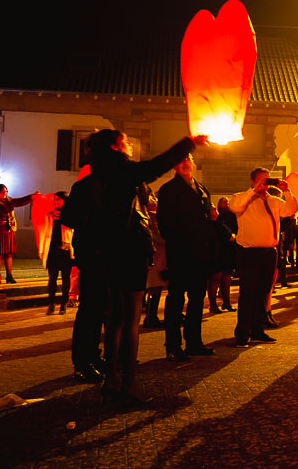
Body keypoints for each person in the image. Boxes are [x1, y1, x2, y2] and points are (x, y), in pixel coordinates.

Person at [64, 128, 206, 405]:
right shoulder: (125, 174)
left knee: (114, 318)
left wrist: (96, 227)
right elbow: (158, 164)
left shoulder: (87, 182)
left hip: (101, 254)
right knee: (130, 320)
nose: (130, 144)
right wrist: (190, 142)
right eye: (126, 141)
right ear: (116, 148)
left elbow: (69, 217)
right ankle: (127, 384)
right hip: (129, 252)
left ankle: (111, 380)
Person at [157, 154, 218, 360]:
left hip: (201, 253)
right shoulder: (168, 190)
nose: (185, 163)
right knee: (175, 300)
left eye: (188, 160)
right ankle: (173, 345)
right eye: (180, 160)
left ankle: (194, 341)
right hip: (181, 253)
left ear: (193, 163)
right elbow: (165, 224)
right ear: (175, 166)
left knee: (197, 299)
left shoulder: (202, 188)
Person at [228, 168, 298, 347]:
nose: (265, 183)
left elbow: (291, 209)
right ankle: (242, 333)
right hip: (249, 252)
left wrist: (287, 191)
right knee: (247, 293)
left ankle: (258, 330)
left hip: (268, 252)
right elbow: (234, 207)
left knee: (263, 293)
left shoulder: (274, 201)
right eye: (261, 180)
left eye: (267, 180)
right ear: (252, 182)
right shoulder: (241, 198)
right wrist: (253, 191)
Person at [0, 185, 37, 283]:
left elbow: (19, 201)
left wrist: (31, 197)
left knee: (9, 254)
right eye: (2, 192)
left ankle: (9, 275)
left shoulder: (9, 201)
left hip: (9, 230)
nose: (4, 193)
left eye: (6, 191)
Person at [45, 192, 74, 315]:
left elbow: (72, 230)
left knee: (66, 279)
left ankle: (63, 304)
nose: (56, 202)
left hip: (65, 251)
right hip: (52, 251)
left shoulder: (70, 215)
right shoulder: (50, 215)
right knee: (52, 278)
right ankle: (51, 304)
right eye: (55, 200)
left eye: (59, 200)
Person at [143, 186, 167, 328]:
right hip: (155, 256)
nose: (155, 200)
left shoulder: (155, 214)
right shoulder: (150, 215)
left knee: (156, 288)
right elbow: (158, 236)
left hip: (159, 257)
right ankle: (151, 317)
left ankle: (151, 316)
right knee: (154, 288)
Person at [209, 197, 238, 314]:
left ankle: (226, 302)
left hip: (227, 253)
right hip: (216, 254)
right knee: (215, 280)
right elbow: (229, 236)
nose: (215, 210)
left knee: (226, 278)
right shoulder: (211, 224)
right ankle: (213, 305)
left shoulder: (227, 218)